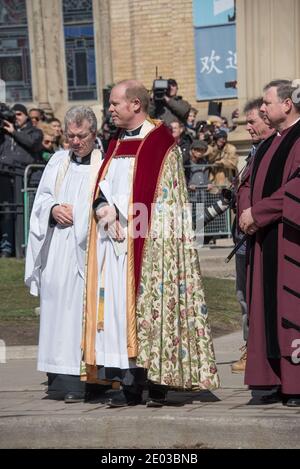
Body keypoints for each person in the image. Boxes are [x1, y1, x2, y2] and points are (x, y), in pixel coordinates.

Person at [81, 79, 219, 408]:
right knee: (118, 313)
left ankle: (157, 380)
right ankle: (130, 381)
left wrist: (122, 213)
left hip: (151, 247)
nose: (110, 109)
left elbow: (166, 201)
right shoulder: (114, 141)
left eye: (115, 103)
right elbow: (102, 185)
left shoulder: (160, 144)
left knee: (153, 309)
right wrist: (102, 209)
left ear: (135, 105)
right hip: (114, 246)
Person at [25, 105, 103, 403]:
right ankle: (57, 377)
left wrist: (81, 213)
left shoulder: (103, 162)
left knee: (78, 314)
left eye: (80, 135)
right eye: (70, 136)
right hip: (57, 248)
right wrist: (53, 209)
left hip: (87, 250)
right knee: (56, 311)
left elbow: (109, 202)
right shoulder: (58, 161)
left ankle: (83, 379)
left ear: (93, 133)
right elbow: (42, 198)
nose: (74, 141)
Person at [239, 79, 300, 406]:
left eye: (267, 102)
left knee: (292, 310)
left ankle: (296, 383)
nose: (261, 108)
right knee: (265, 309)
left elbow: (296, 188)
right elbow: (245, 182)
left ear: (287, 104)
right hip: (264, 242)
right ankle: (270, 379)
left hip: (291, 244)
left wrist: (257, 212)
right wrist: (245, 209)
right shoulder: (266, 144)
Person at [231, 98, 274, 373]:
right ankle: (251, 346)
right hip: (244, 236)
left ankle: (260, 350)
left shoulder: (274, 150)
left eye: (251, 121)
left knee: (260, 296)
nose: (246, 127)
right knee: (244, 296)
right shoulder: (254, 152)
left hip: (262, 234)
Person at [0, 103, 43, 257]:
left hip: (23, 177)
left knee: (22, 213)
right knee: (6, 212)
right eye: (14, 114)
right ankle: (6, 248)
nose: (15, 117)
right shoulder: (4, 131)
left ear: (26, 116)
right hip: (5, 175)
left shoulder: (35, 131)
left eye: (19, 114)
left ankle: (23, 248)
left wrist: (14, 132)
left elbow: (32, 143)